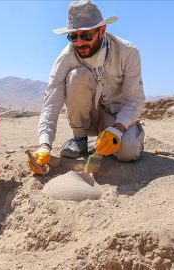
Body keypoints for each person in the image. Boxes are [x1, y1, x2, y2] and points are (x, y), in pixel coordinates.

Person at [29, 0, 145, 174]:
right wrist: (44, 145)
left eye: (86, 36)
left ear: (102, 30)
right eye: (73, 36)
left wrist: (118, 129)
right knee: (78, 75)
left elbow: (134, 100)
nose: (79, 43)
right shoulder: (66, 58)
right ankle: (80, 140)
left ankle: (132, 134)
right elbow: (51, 103)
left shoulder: (128, 52)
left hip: (117, 117)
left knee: (128, 152)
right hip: (88, 119)